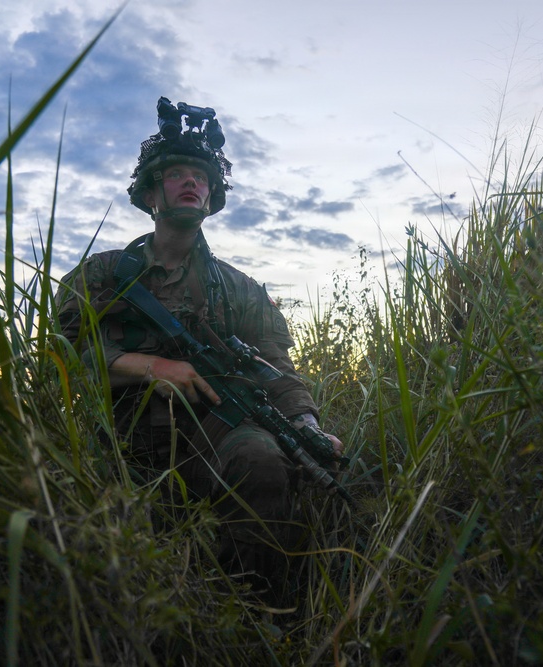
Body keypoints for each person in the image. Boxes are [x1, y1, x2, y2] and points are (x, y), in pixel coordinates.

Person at [53, 97, 342, 605]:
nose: (191, 182)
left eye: (201, 178)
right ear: (151, 194)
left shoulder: (238, 288)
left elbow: (276, 366)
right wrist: (150, 368)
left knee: (262, 458)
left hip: (211, 437)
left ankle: (250, 611)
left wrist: (308, 425)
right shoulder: (101, 275)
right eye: (177, 174)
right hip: (118, 444)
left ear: (211, 198)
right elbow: (60, 355)